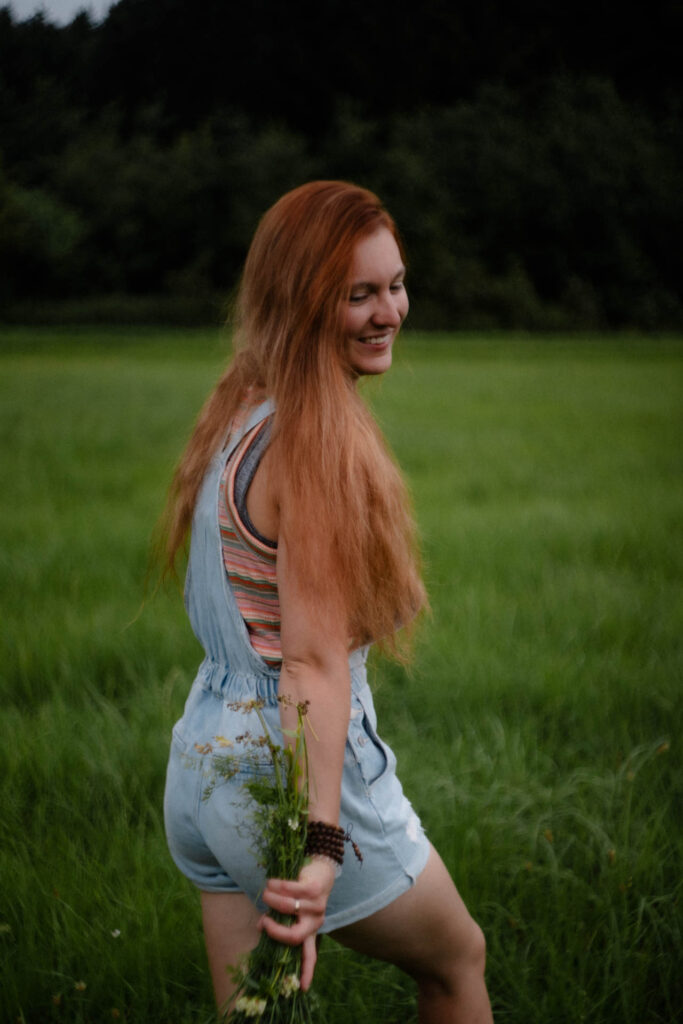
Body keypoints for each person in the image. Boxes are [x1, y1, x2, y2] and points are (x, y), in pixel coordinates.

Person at [162, 181, 493, 1023]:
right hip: (284, 771)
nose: (390, 312)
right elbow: (310, 662)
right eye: (359, 294)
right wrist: (319, 845)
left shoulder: (242, 412)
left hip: (200, 763)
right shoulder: (312, 444)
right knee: (457, 960)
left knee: (255, 1014)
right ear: (304, 301)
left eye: (396, 285)